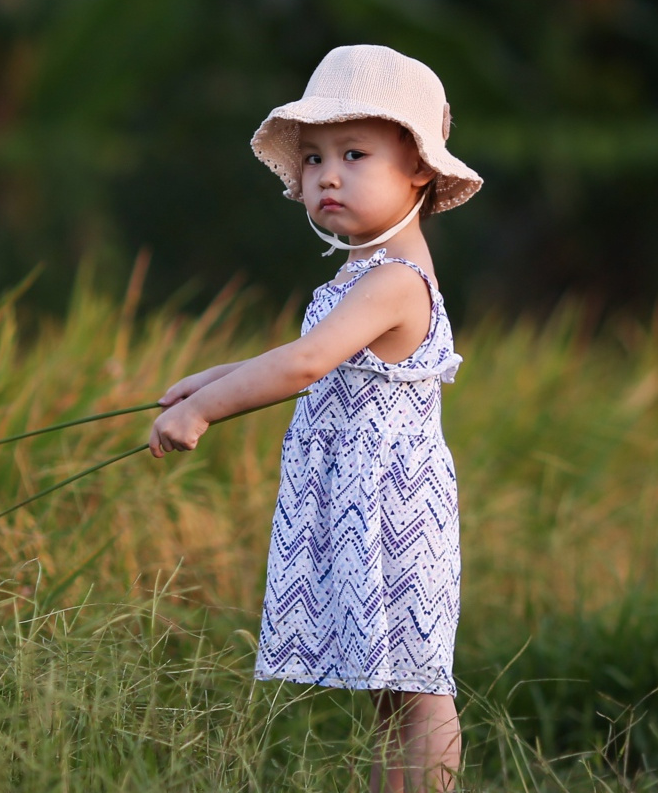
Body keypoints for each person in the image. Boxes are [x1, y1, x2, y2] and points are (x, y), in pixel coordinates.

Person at [147, 45, 481, 793]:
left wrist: (205, 410)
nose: (327, 175)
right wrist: (214, 378)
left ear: (418, 170)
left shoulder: (396, 280)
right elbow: (311, 355)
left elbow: (306, 365)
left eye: (355, 154)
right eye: (315, 158)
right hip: (363, 501)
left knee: (419, 688)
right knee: (392, 689)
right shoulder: (361, 271)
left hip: (395, 510)